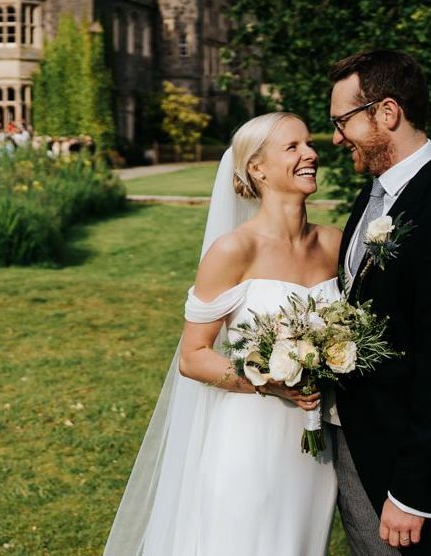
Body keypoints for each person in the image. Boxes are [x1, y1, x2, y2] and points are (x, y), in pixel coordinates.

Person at [105, 112, 341, 555]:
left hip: (315, 445)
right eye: (292, 147)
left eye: (308, 144)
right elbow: (193, 356)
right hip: (250, 439)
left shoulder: (334, 243)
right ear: (257, 168)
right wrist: (265, 382)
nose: (311, 154)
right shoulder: (235, 249)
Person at [329, 50, 431, 554]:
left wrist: (412, 493)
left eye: (342, 121)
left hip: (410, 476)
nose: (337, 138)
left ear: (386, 113)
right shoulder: (371, 199)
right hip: (364, 448)